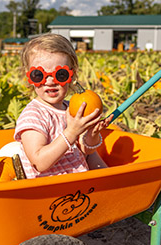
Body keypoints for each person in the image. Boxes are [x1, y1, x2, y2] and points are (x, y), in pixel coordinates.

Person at [14, 33, 111, 179]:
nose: (50, 81)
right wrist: (71, 132)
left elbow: (86, 151)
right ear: (29, 77)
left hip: (78, 184)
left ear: (72, 76)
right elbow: (39, 162)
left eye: (60, 75)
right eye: (39, 75)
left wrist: (92, 134)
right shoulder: (33, 115)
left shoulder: (72, 108)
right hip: (51, 190)